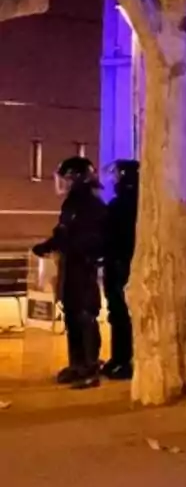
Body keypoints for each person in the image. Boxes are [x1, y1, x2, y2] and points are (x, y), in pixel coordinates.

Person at [32, 157, 107, 389]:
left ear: (77, 179)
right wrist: (50, 245)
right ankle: (76, 363)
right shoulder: (71, 204)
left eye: (66, 178)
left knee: (85, 314)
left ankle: (90, 364)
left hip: (83, 266)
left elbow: (94, 238)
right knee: (72, 313)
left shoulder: (92, 206)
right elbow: (64, 231)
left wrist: (77, 248)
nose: (62, 184)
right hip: (70, 265)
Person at [101, 160, 138, 380]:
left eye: (116, 176)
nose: (114, 181)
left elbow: (110, 235)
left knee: (122, 315)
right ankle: (119, 358)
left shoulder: (122, 205)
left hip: (120, 265)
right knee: (118, 315)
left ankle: (124, 360)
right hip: (119, 263)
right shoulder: (135, 203)